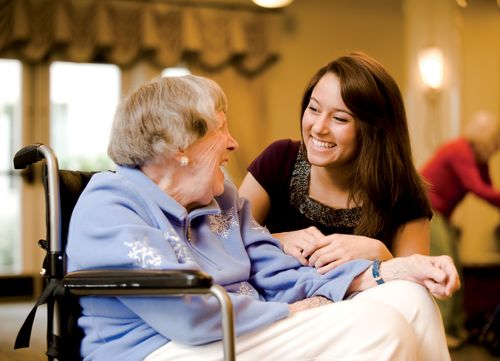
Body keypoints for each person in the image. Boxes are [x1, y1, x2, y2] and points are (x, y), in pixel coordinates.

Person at [66, 74, 460, 361]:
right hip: (165, 348)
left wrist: (385, 273)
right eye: (221, 129)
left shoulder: (223, 200)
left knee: (408, 298)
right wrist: (289, 312)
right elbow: (187, 315)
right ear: (179, 147)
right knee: (378, 327)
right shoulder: (111, 206)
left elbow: (280, 272)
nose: (234, 143)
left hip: (246, 331)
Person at [239, 51, 432, 274]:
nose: (319, 127)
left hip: (365, 309)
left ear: (374, 131)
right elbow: (223, 244)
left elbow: (414, 295)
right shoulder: (279, 159)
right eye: (313, 109)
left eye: (339, 118)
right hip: (279, 307)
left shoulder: (403, 192)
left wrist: (381, 254)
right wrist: (278, 240)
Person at [420, 110, 500, 345]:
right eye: (496, 142)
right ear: (486, 138)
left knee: (456, 270)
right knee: (442, 271)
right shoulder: (460, 150)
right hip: (425, 211)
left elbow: (489, 189)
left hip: (441, 215)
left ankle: (455, 329)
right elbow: (477, 188)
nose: (497, 148)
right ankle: (440, 334)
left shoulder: (478, 159)